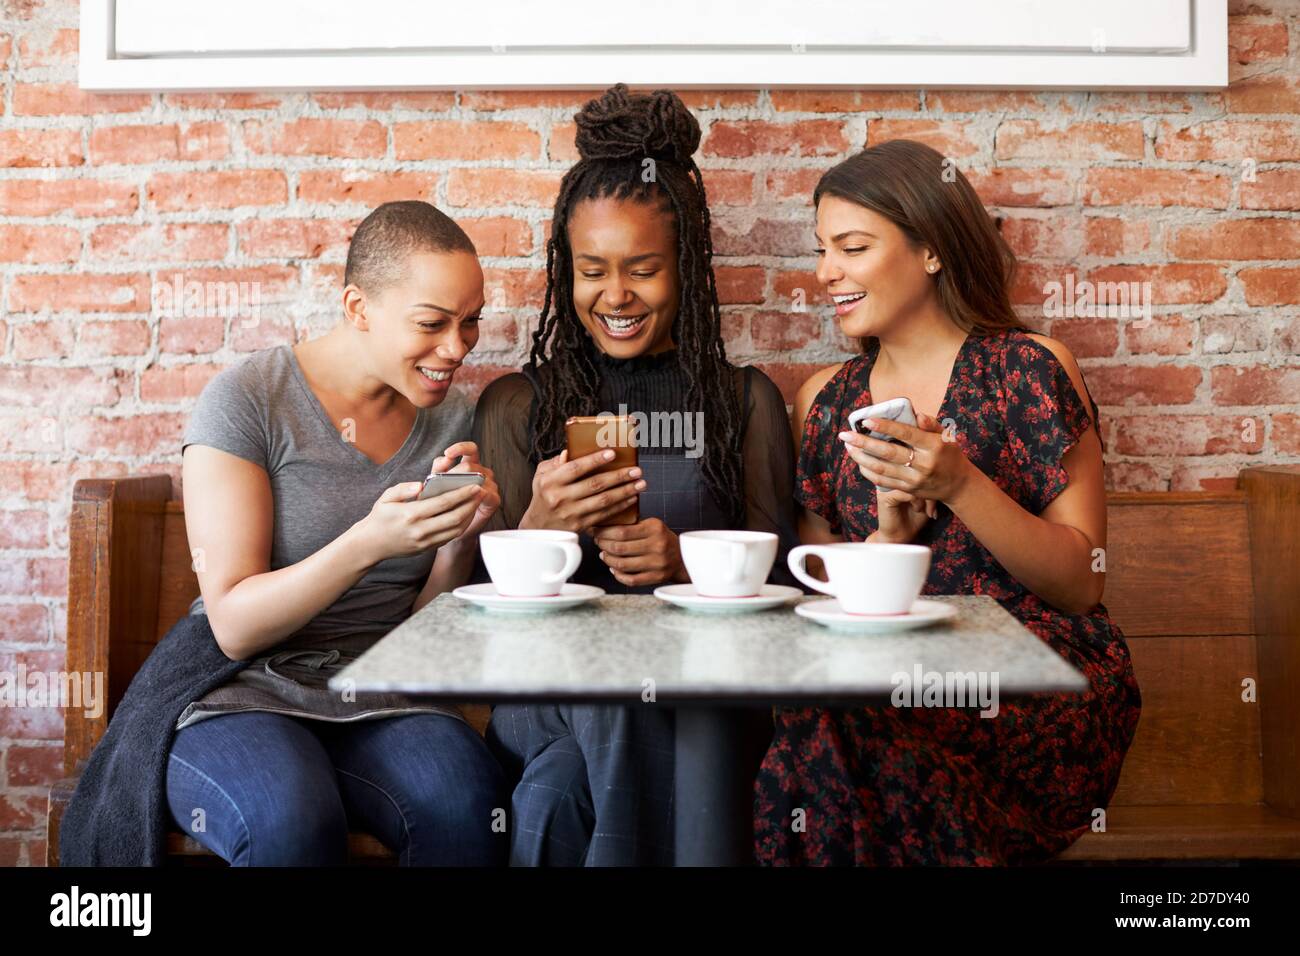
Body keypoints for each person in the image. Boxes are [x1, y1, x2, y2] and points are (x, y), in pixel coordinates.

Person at [754, 140, 1142, 865]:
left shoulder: (1028, 367)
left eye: (852, 247)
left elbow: (1080, 580)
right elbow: (832, 618)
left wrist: (961, 484)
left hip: (1034, 681)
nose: (824, 272)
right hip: (888, 683)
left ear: (931, 250)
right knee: (834, 727)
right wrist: (891, 541)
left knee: (839, 737)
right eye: (822, 249)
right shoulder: (824, 402)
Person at [471, 84, 798, 865]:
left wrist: (685, 562)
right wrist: (540, 528)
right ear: (567, 269)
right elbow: (479, 621)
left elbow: (789, 587)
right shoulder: (520, 406)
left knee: (553, 797)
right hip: (547, 695)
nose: (614, 295)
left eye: (643, 269)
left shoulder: (741, 403)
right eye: (592, 270)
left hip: (709, 691)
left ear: (685, 267)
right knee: (618, 687)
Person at [167, 200, 508, 866]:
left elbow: (422, 633)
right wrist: (368, 542)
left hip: (380, 692)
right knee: (291, 823)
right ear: (358, 309)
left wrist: (458, 540)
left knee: (472, 808)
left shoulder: (453, 419)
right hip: (243, 689)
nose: (458, 348)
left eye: (470, 323)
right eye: (433, 324)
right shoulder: (248, 402)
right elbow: (233, 623)